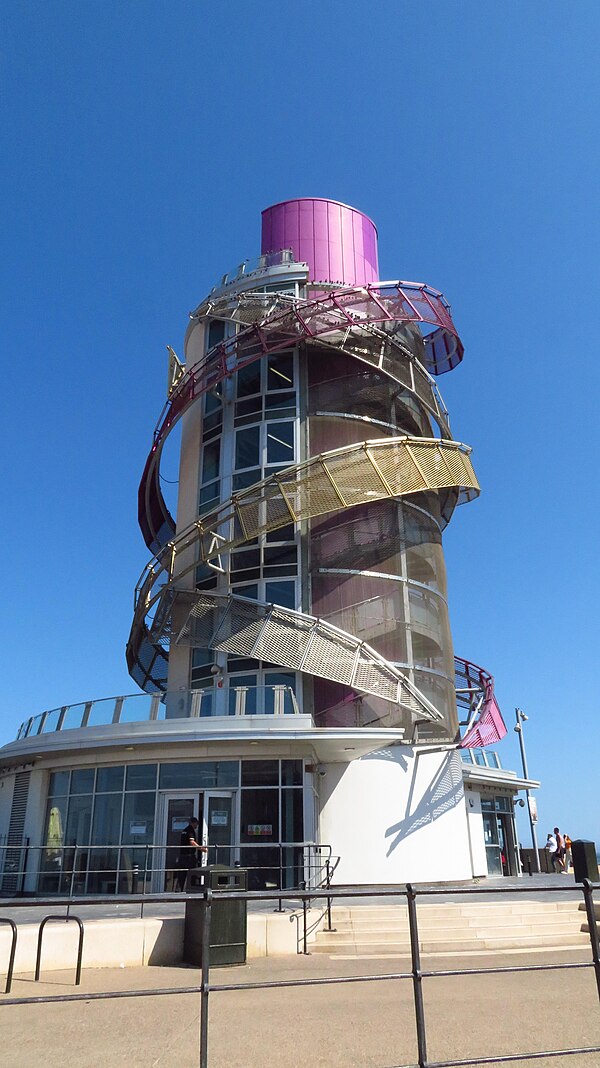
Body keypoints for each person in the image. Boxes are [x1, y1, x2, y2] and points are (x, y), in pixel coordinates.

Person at [175, 817, 208, 891]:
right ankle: (192, 890)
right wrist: (201, 848)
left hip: (182, 856)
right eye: (197, 824)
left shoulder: (184, 830)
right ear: (193, 823)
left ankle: (178, 891)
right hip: (189, 857)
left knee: (181, 875)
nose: (197, 826)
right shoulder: (190, 830)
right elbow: (192, 842)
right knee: (192, 873)